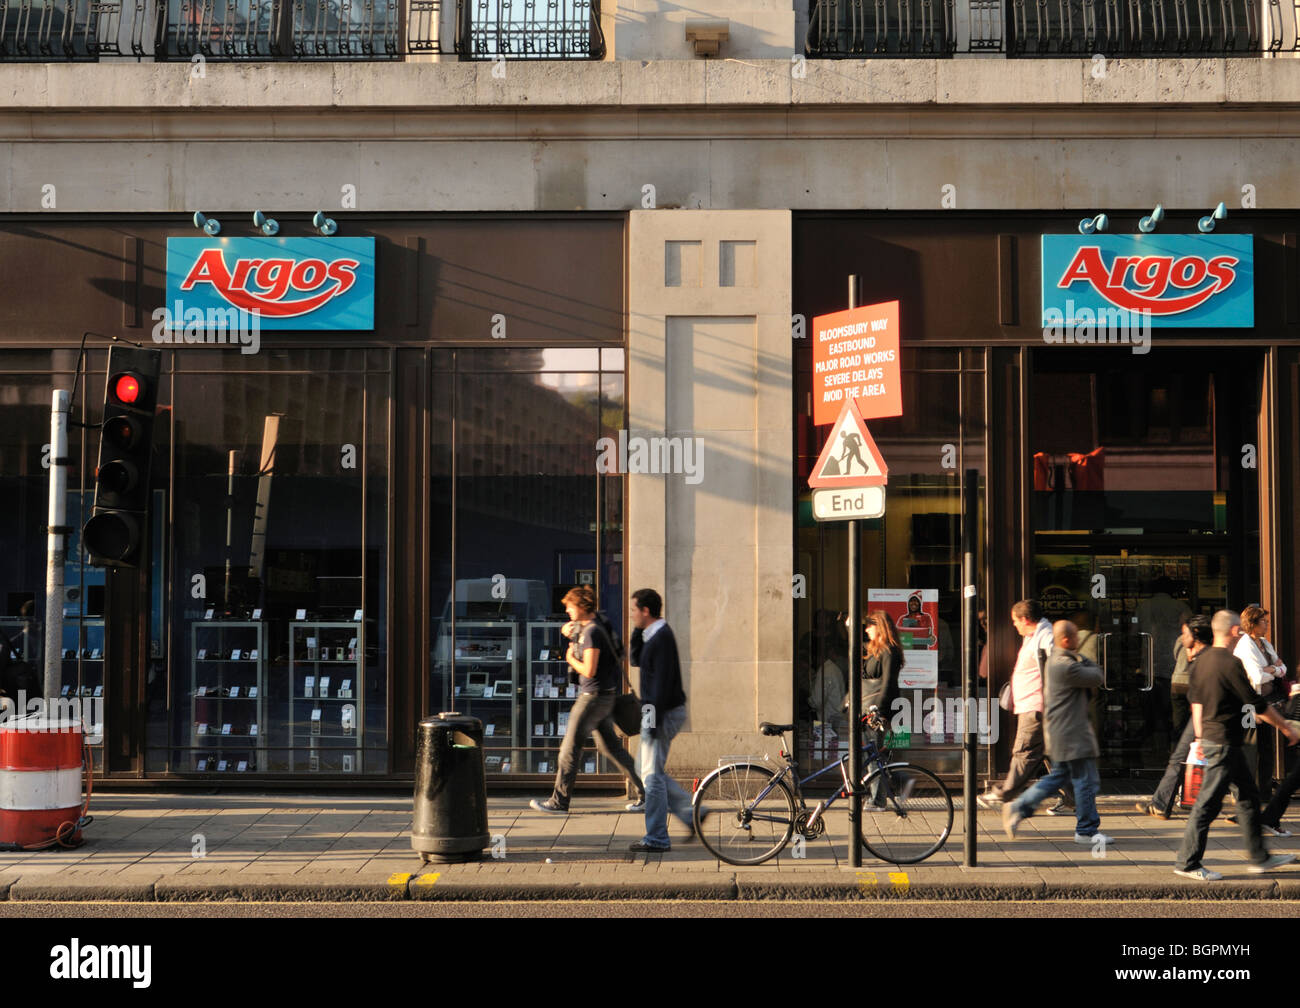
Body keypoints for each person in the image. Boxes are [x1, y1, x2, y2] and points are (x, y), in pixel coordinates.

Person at [1172, 610, 1300, 882]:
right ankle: (1187, 862)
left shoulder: (1200, 661)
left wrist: (1198, 737)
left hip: (1217, 740)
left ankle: (1259, 857)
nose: (1241, 633)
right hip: (1222, 742)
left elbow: (1195, 702)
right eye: (1238, 630)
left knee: (1248, 798)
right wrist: (1285, 726)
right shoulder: (1230, 663)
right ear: (1232, 631)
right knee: (1208, 804)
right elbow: (1256, 702)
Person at [530, 586, 644, 814]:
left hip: (592, 698)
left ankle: (559, 802)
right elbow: (576, 631)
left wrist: (570, 658)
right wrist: (569, 630)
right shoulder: (596, 624)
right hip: (603, 697)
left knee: (569, 748)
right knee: (612, 748)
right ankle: (647, 794)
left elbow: (589, 669)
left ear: (581, 607)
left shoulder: (592, 632)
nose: (568, 612)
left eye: (570, 607)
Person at [1002, 621, 1111, 846]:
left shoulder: (1058, 661)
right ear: (1066, 640)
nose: (1079, 640)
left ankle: (1019, 806)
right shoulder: (1066, 665)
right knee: (1085, 781)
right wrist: (1083, 657)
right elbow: (1098, 676)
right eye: (1075, 637)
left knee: (1058, 777)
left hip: (1062, 733)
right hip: (1071, 735)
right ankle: (1087, 830)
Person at [979, 600, 1069, 810]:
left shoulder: (1045, 636)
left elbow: (1055, 666)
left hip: (1037, 705)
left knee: (1024, 751)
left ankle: (1004, 793)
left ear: (1025, 619)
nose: (1014, 625)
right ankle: (1075, 799)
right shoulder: (1033, 636)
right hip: (1033, 704)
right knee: (1050, 754)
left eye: (1015, 621)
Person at [625, 588, 691, 852]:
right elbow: (635, 660)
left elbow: (660, 687)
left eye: (633, 611)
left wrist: (651, 724)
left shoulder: (662, 637)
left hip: (661, 713)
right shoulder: (651, 634)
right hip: (656, 712)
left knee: (651, 777)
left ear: (645, 611)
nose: (631, 615)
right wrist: (637, 631)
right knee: (647, 769)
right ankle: (690, 811)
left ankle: (657, 838)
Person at [1137, 615, 1212, 820]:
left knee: (1222, 761)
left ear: (1195, 635)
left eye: (1185, 633)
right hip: (1207, 719)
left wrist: (1199, 734)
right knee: (1183, 758)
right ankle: (1160, 804)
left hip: (1208, 719)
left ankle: (1248, 810)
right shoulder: (1206, 656)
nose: (1181, 637)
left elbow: (1200, 701)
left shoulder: (1205, 659)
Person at [1234, 605, 1287, 804]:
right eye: (1263, 621)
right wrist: (1275, 668)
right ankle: (1248, 792)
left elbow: (1284, 667)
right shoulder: (1246, 645)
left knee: (1266, 747)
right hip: (1250, 702)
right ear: (1252, 623)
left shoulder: (1264, 643)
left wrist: (1272, 669)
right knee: (1251, 747)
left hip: (1267, 700)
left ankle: (1263, 792)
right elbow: (1256, 675)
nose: (1267, 625)